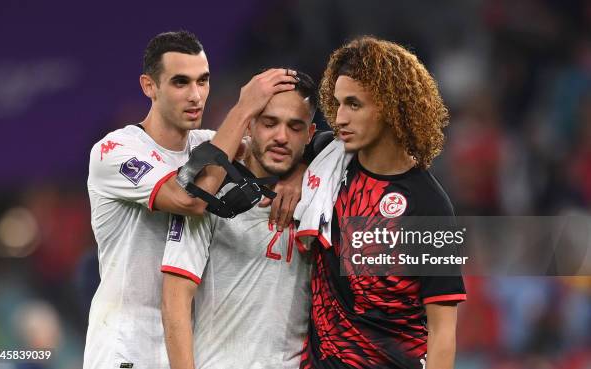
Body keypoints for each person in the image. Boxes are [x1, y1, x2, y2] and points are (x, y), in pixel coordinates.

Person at [84, 30, 301, 369]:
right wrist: (244, 108)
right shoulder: (116, 151)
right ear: (149, 86)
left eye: (203, 81)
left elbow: (280, 149)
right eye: (180, 83)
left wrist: (297, 175)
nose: (196, 95)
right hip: (127, 347)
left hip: (186, 348)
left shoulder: (209, 143)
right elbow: (189, 199)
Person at [294, 36, 466, 369]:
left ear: (390, 106)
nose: (340, 117)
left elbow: (443, 333)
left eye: (354, 104)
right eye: (338, 103)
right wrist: (293, 177)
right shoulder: (325, 159)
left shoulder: (428, 205)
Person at [160, 72, 318, 369]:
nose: (281, 137)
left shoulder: (322, 194)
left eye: (294, 127)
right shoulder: (210, 192)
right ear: (249, 125)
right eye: (269, 123)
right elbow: (174, 299)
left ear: (309, 135)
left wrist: (307, 171)